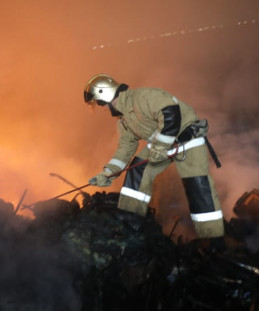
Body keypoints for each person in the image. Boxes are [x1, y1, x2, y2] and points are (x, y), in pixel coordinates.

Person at [83, 73, 224, 239]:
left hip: (187, 138)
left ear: (105, 94)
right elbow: (125, 148)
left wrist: (161, 145)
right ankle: (130, 223)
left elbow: (171, 112)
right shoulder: (124, 120)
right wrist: (108, 173)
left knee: (196, 186)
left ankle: (213, 238)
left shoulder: (142, 97)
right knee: (137, 170)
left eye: (100, 104)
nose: (103, 108)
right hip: (162, 144)